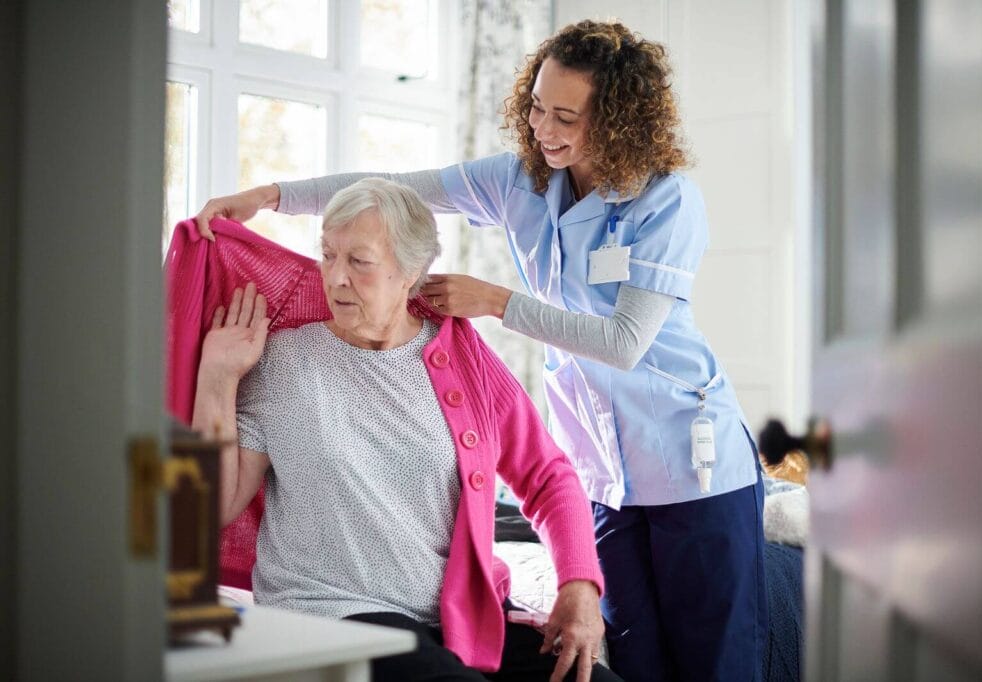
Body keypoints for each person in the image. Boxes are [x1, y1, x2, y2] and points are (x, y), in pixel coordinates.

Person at [196, 20, 767, 681]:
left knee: (714, 663)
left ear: (615, 121)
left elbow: (624, 343)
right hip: (606, 469)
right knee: (637, 661)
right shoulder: (520, 180)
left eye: (566, 117)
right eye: (535, 107)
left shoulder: (666, 202)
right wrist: (270, 196)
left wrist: (496, 302)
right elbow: (395, 185)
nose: (544, 129)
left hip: (691, 459)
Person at [190, 179, 621, 682]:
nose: (336, 278)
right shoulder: (284, 361)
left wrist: (579, 586)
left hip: (456, 622)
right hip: (334, 614)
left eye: (360, 261)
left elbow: (548, 474)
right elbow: (213, 506)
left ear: (410, 272)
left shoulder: (463, 357)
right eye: (328, 255)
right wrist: (217, 379)